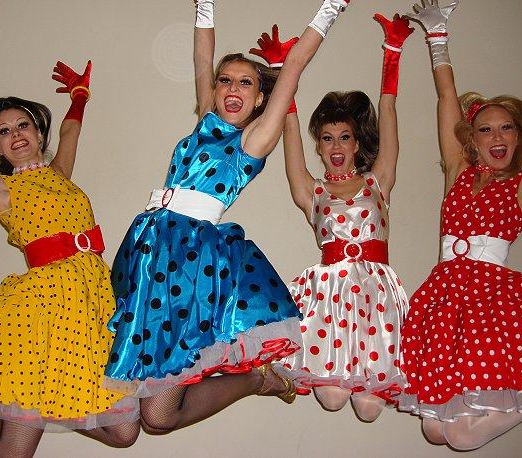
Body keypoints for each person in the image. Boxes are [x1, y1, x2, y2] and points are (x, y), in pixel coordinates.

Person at [104, 0, 351, 434]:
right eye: (225, 80)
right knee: (144, 415)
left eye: (246, 82)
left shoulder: (253, 139)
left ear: (260, 98)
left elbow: (294, 65)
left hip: (188, 259)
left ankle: (258, 380)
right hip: (147, 251)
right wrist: (205, 5)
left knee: (158, 417)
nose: (233, 88)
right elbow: (203, 58)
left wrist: (329, 8)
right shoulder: (205, 120)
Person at [0, 61, 140, 457]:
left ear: (38, 133)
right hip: (43, 306)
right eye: (3, 131)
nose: (15, 135)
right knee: (16, 453)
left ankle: (52, 401)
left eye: (23, 125)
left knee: (124, 432)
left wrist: (79, 96)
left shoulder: (59, 173)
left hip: (92, 301)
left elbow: (70, 131)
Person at [398, 0, 522, 450]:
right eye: (485, 129)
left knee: (460, 437)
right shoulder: (458, 173)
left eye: (507, 128)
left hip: (492, 302)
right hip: (446, 299)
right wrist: (437, 38)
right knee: (433, 429)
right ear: (472, 139)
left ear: (518, 138)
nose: (497, 137)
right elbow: (447, 98)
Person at [266, 14, 413, 422]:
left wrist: (393, 53)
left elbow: (388, 111)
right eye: (327, 138)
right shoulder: (310, 192)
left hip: (377, 301)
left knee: (369, 410)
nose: (335, 146)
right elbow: (289, 128)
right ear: (319, 145)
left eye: (344, 137)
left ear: (356, 143)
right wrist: (280, 72)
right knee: (331, 398)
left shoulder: (379, 182)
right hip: (329, 300)